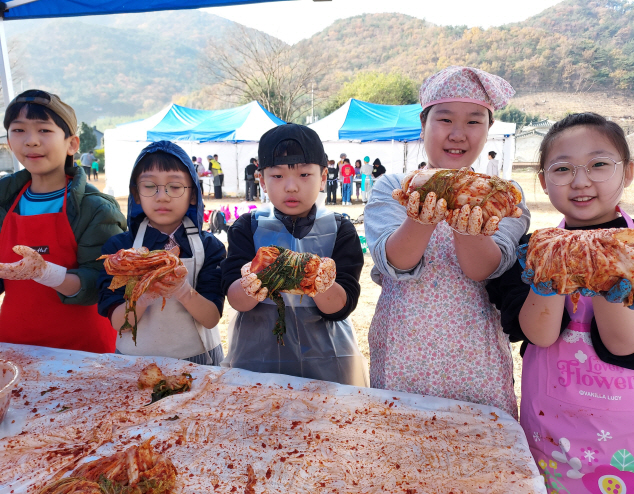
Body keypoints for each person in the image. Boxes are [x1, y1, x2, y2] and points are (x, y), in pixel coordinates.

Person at [486, 113, 634, 489]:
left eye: (599, 164)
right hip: (552, 441)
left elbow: (628, 344)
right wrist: (547, 278)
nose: (581, 181)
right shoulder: (531, 250)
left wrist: (609, 274)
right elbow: (539, 335)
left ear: (627, 172)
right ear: (544, 182)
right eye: (562, 169)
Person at [364, 66, 529, 418]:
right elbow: (396, 262)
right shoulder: (393, 187)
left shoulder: (503, 197)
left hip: (476, 363)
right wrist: (421, 217)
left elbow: (483, 268)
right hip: (402, 356)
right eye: (444, 119)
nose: (458, 133)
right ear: (423, 125)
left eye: (473, 121)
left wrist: (465, 221)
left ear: (488, 130)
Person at [221, 124, 368, 386]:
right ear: (262, 180)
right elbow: (236, 300)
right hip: (258, 362)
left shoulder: (340, 230)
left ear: (323, 177)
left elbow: (342, 306)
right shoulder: (247, 228)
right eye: (277, 176)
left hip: (327, 362)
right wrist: (259, 276)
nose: (291, 187)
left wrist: (311, 275)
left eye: (304, 174)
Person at [0, 89, 126, 353]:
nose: (31, 141)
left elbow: (103, 282)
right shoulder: (4, 201)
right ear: (9, 141)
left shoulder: (95, 208)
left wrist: (46, 273)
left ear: (72, 144)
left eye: (44, 130)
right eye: (18, 130)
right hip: (14, 346)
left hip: (82, 352)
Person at [97, 141, 226, 365]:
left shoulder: (210, 247)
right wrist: (145, 295)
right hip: (133, 363)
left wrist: (183, 290)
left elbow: (211, 318)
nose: (162, 196)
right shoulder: (119, 252)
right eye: (149, 186)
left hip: (197, 362)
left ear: (193, 195)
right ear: (136, 194)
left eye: (175, 187)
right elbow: (119, 322)